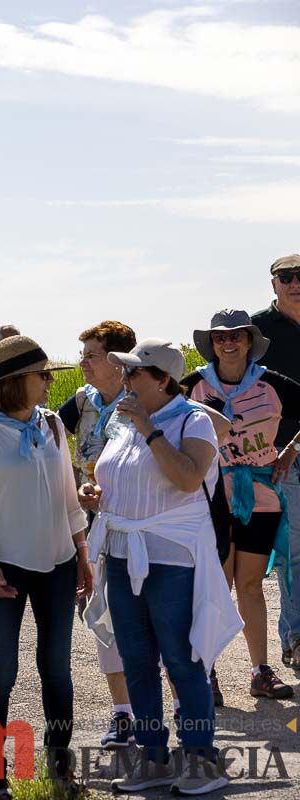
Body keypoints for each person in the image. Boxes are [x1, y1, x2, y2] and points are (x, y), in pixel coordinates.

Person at [81, 339, 241, 796]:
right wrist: (94, 496)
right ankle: (152, 757)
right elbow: (113, 476)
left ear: (163, 380)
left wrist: (150, 429)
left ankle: (200, 758)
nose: (125, 380)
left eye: (134, 373)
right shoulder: (124, 419)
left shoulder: (192, 421)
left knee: (182, 659)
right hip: (123, 553)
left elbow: (188, 478)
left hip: (174, 559)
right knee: (136, 660)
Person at [0, 336, 89, 799]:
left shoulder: (51, 426)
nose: (51, 383)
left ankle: (59, 760)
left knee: (57, 669)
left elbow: (71, 502)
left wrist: (83, 557)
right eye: (43, 375)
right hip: (3, 568)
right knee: (1, 670)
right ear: (14, 382)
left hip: (59, 565)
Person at [183, 309, 300, 700]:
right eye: (220, 337)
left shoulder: (271, 384)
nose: (228, 343)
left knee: (250, 585)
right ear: (212, 344)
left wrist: (290, 451)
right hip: (212, 500)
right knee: (217, 585)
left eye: (236, 336)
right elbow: (155, 417)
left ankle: (259, 672)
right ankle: (206, 673)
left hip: (263, 498)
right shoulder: (192, 387)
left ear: (250, 341)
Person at [56, 321, 143, 747]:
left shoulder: (146, 400)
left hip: (142, 525)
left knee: (156, 620)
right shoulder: (78, 403)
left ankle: (177, 712)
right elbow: (51, 446)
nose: (83, 363)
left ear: (115, 360)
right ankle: (123, 714)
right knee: (104, 618)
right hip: (93, 524)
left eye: (90, 355)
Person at [253, 254, 300, 669]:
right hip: (279, 459)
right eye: (287, 277)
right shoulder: (254, 332)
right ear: (274, 285)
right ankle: (296, 640)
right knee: (294, 551)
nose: (295, 283)